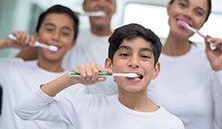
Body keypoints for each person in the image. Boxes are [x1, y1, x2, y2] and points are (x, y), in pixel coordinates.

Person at [15, 23, 185, 129]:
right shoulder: (86, 106)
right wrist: (70, 78)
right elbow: (24, 110)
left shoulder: (170, 124)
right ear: (109, 65)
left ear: (155, 70)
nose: (134, 62)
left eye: (145, 56)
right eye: (125, 55)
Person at [17, 0, 118, 95]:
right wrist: (65, 22)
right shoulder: (68, 37)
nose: (102, 4)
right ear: (84, 6)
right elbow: (18, 61)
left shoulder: (120, 44)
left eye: (108, 0)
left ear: (115, 8)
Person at [147, 0, 222, 129]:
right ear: (169, 7)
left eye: (198, 12)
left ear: (202, 24)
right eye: (183, 5)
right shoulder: (145, 61)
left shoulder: (210, 64)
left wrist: (219, 70)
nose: (188, 14)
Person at [0, 4, 82, 129]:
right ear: (37, 35)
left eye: (65, 33)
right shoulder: (12, 68)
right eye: (49, 29)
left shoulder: (77, 84)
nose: (56, 37)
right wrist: (6, 43)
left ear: (73, 43)